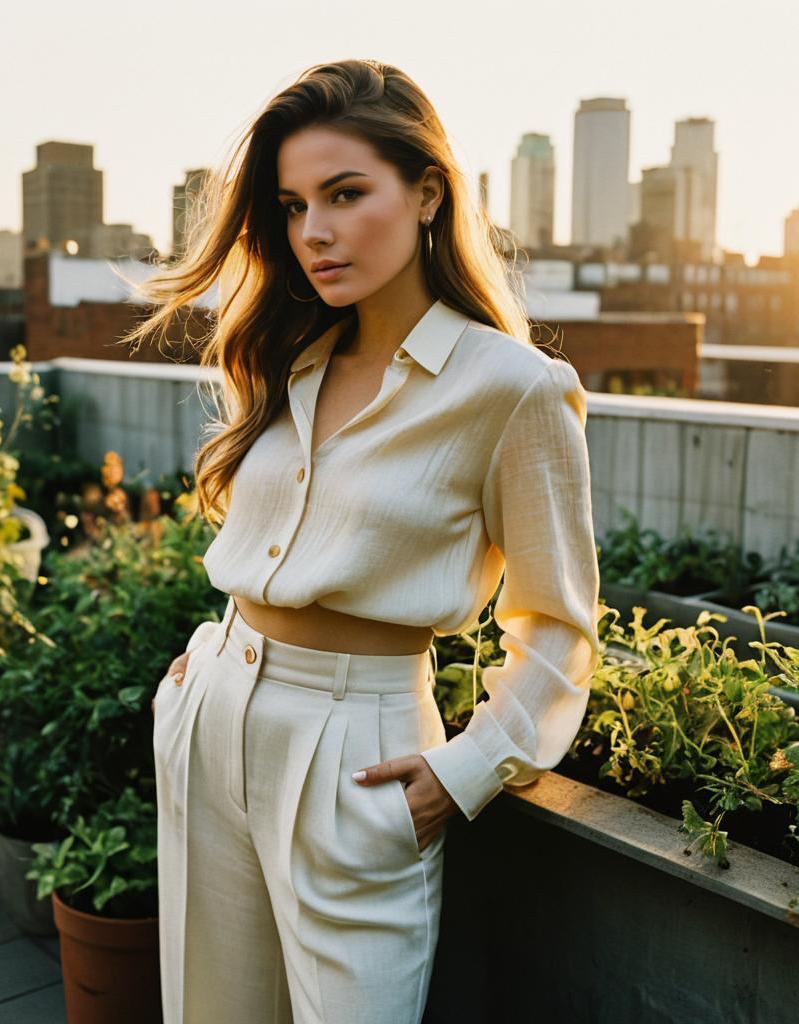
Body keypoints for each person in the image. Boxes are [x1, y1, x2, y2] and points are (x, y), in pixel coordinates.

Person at [130, 58, 601, 1024]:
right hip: (212, 711)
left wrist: (467, 771)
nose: (315, 231)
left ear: (427, 192)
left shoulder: (512, 388)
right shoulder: (289, 357)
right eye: (293, 206)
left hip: (359, 755)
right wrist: (196, 682)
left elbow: (560, 628)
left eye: (345, 194)